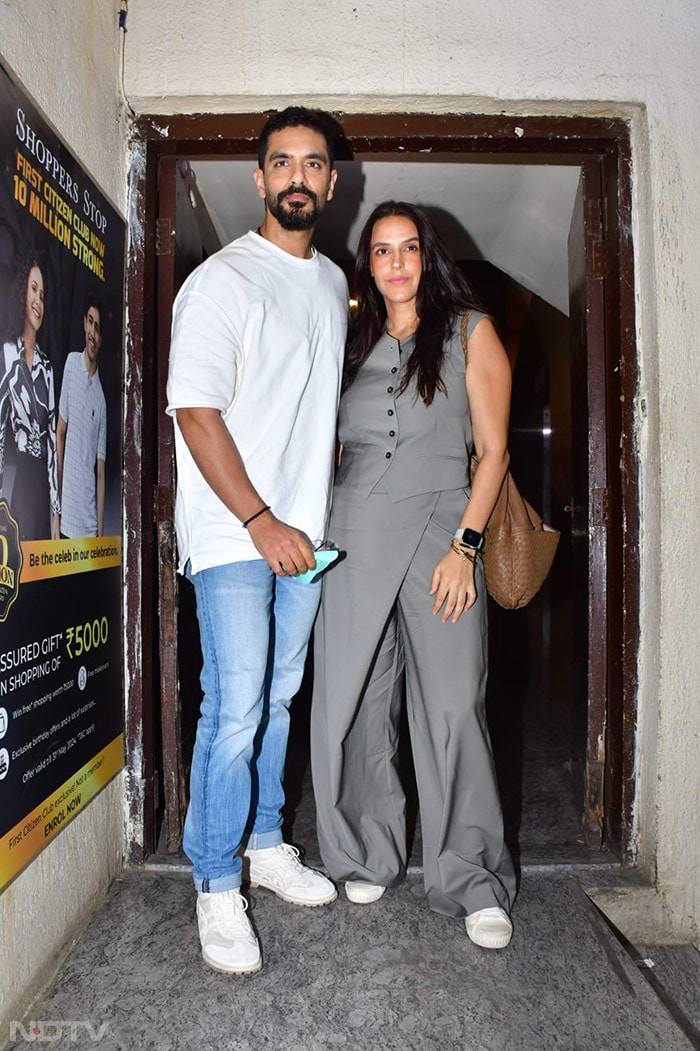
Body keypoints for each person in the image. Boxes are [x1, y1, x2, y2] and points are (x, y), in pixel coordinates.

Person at [166, 107, 348, 975]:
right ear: (260, 179)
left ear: (331, 182)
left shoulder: (330, 284)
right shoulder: (221, 280)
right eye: (283, 163)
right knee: (233, 708)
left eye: (314, 164)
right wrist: (259, 519)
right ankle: (213, 883)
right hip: (236, 530)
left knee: (277, 700)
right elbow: (196, 412)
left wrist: (306, 522)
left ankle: (267, 843)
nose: (298, 178)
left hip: (303, 538)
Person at [311, 201, 518, 950]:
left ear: (427, 257)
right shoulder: (351, 342)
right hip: (354, 531)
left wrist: (465, 546)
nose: (395, 262)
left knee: (454, 702)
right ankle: (370, 848)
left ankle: (471, 876)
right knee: (357, 696)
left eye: (408, 249)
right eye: (381, 250)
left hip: (441, 530)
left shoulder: (471, 331)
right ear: (367, 264)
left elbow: (492, 452)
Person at [0, 254, 59, 540]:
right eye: (33, 289)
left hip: (43, 490)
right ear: (22, 290)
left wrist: (57, 511)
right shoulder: (8, 354)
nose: (38, 301)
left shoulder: (47, 368)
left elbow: (53, 443)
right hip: (22, 482)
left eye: (43, 295)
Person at [56, 293, 107, 538]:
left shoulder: (102, 399)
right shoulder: (70, 364)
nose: (92, 332)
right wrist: (57, 509)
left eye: (97, 327)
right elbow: (60, 434)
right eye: (90, 322)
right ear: (84, 325)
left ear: (100, 337)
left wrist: (99, 533)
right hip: (67, 517)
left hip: (88, 527)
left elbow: (100, 473)